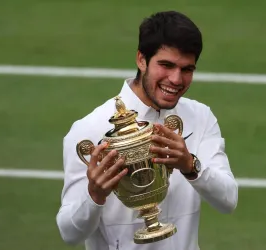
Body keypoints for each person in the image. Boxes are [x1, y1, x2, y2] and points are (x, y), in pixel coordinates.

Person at [56, 10, 238, 250]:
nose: (176, 79)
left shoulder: (200, 117)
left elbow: (228, 200)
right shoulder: (90, 130)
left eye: (187, 69)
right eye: (166, 65)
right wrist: (94, 196)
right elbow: (69, 233)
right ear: (141, 60)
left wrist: (190, 165)